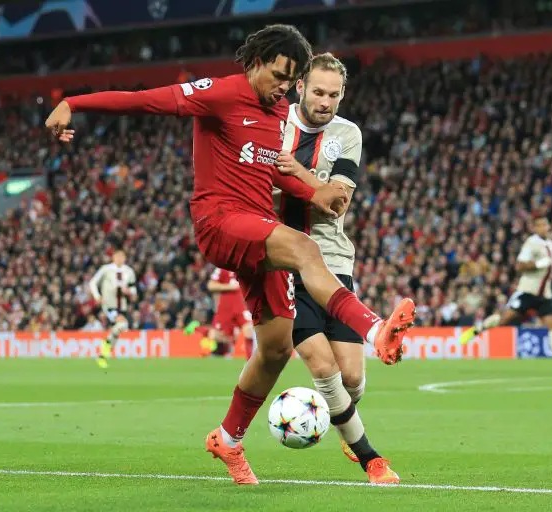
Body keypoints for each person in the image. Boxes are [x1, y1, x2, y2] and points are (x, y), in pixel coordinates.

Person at [45, 24, 415, 485]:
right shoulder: (219, 94)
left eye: (290, 80)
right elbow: (145, 99)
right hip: (220, 219)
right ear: (257, 61)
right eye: (279, 75)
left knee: (277, 347)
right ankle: (376, 329)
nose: (283, 88)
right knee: (303, 246)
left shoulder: (278, 110)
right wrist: (74, 103)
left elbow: (269, 171)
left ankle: (228, 438)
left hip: (257, 229)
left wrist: (314, 191)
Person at [273, 53, 398, 484]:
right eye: (319, 91)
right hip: (281, 258)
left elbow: (338, 201)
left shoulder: (347, 134)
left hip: (333, 257)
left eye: (335, 94)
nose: (326, 101)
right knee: (322, 367)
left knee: (352, 375)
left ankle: (348, 425)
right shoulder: (273, 124)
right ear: (300, 86)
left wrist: (297, 174)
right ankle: (372, 459)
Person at [459, 215, 552, 376]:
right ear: (535, 228)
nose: (545, 227)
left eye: (546, 224)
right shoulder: (532, 243)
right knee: (504, 319)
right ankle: (477, 330)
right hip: (527, 291)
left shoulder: (551, 243)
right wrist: (538, 264)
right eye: (541, 225)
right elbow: (520, 266)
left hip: (544, 294)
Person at [88, 249, 137, 369]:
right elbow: (92, 282)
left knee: (118, 331)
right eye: (117, 256)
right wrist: (97, 296)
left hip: (123, 306)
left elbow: (133, 290)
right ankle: (105, 344)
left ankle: (103, 356)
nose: (120, 258)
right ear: (113, 257)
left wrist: (129, 292)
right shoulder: (106, 269)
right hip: (109, 305)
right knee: (122, 324)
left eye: (122, 256)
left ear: (125, 258)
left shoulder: (129, 271)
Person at [206, 267, 256, 359]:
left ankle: (250, 360)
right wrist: (229, 287)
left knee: (249, 331)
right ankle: (227, 347)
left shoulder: (248, 266)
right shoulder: (222, 267)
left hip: (242, 305)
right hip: (225, 307)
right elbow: (211, 285)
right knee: (214, 335)